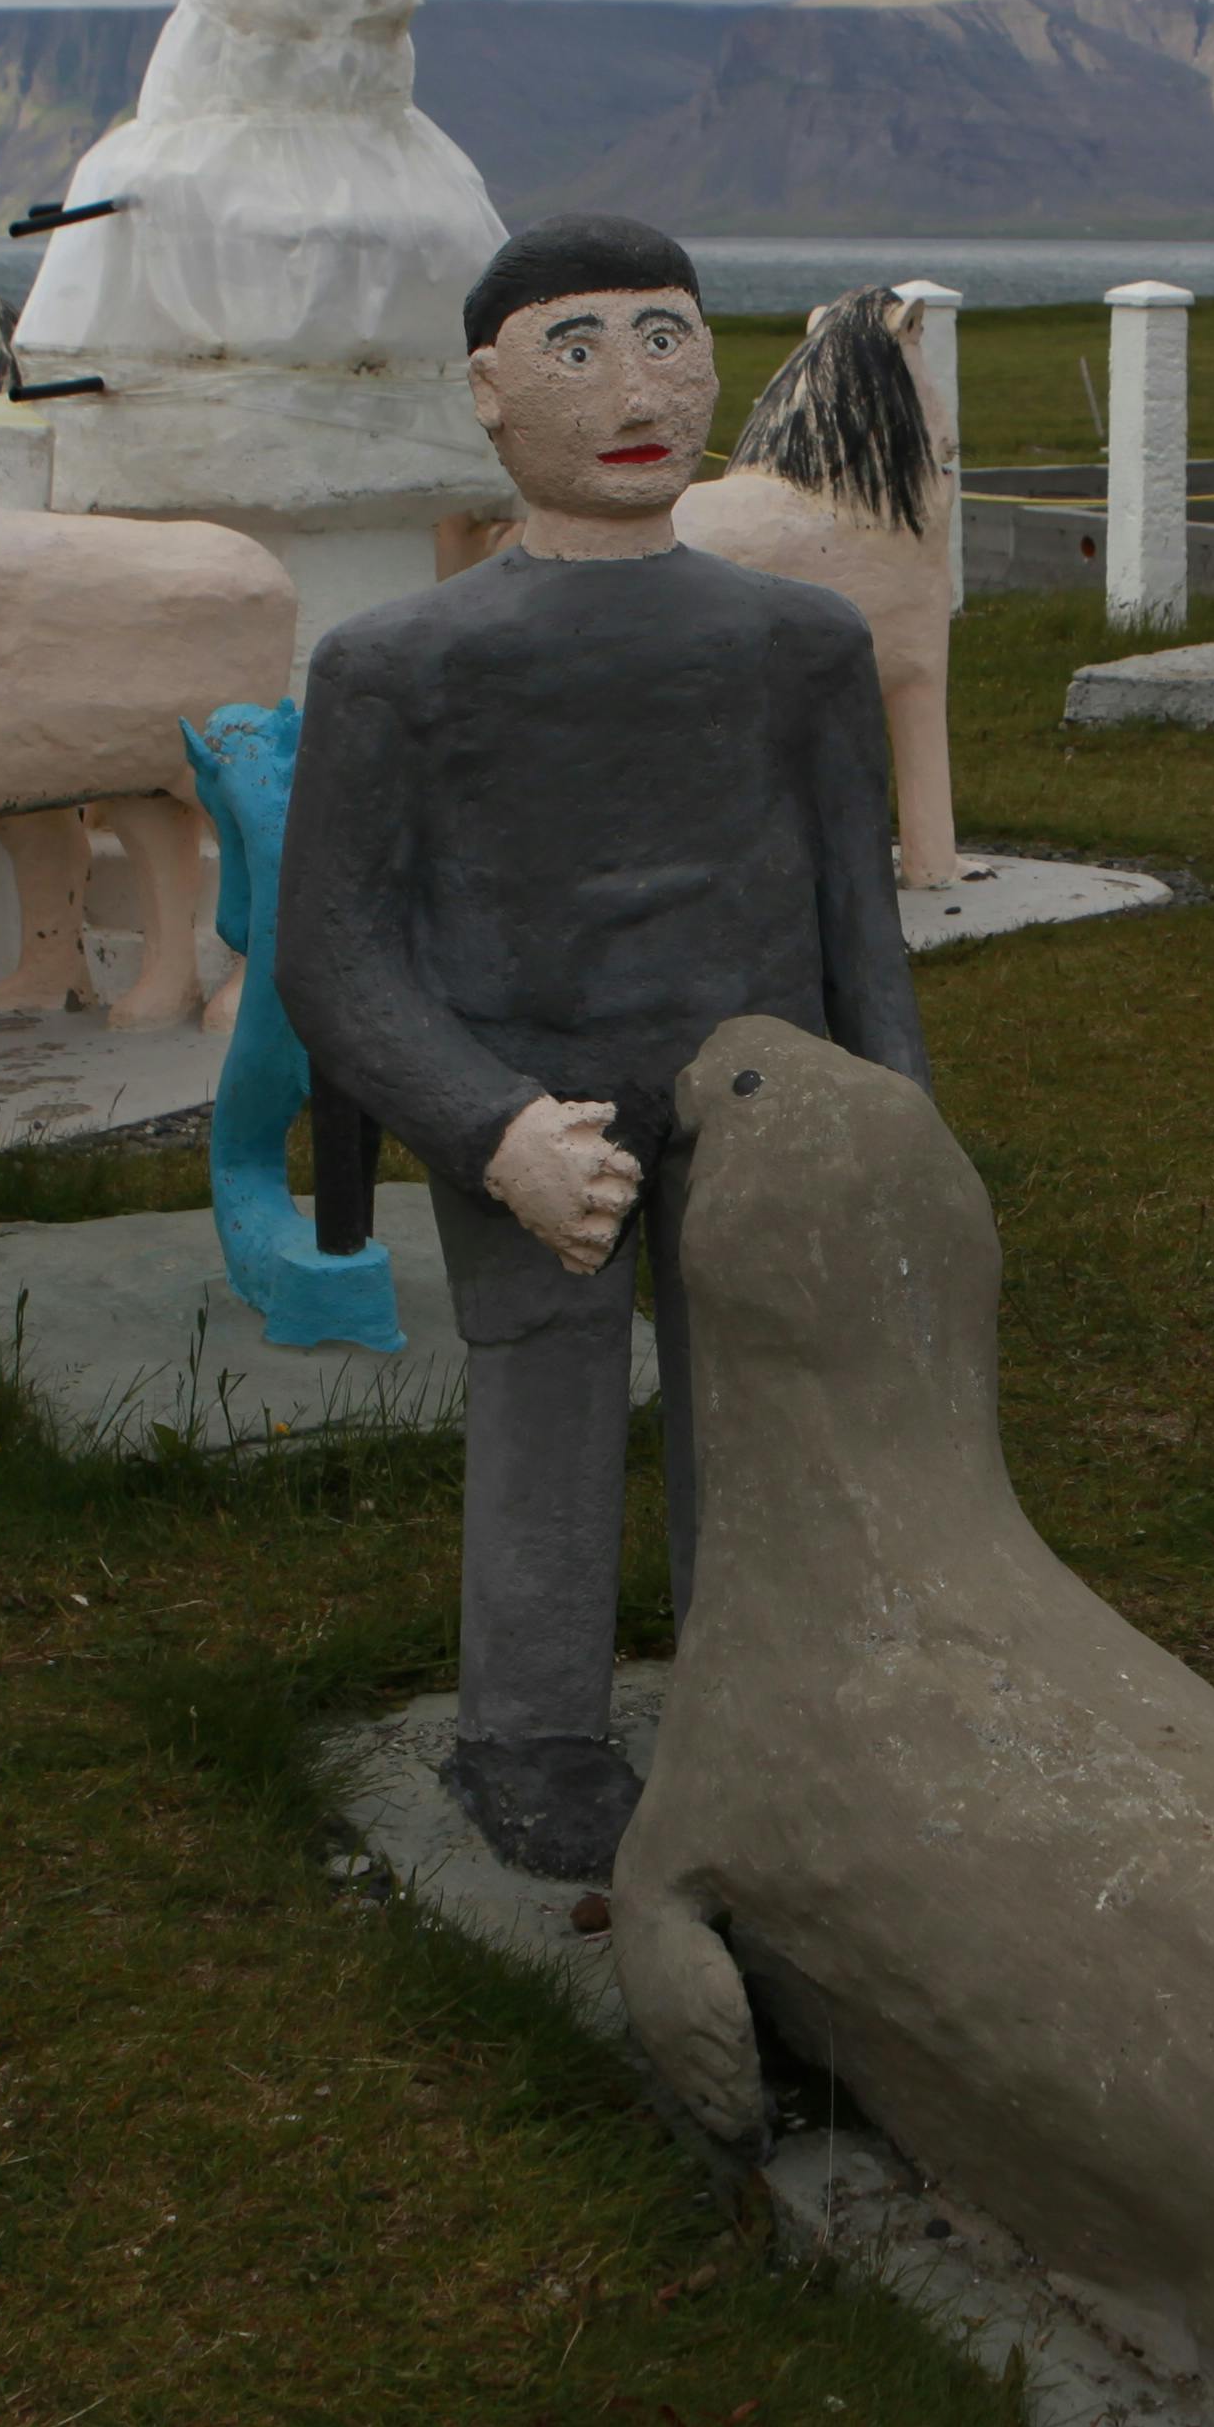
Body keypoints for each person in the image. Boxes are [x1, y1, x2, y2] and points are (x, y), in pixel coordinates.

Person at [271, 214, 933, 1882]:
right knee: (547, 1406)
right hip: (537, 1107)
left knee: (764, 1408)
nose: (636, 385)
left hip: (763, 1104)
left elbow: (863, 919)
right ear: (488, 390)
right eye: (577, 345)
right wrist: (494, 1128)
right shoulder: (392, 666)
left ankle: (752, 1691)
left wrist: (897, 1141)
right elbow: (332, 951)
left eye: (666, 335)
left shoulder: (800, 644)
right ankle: (531, 1732)